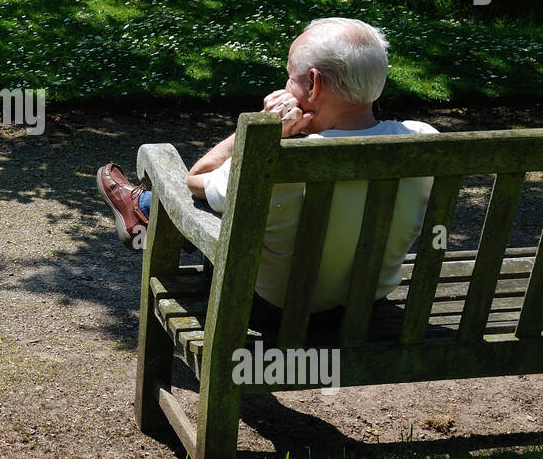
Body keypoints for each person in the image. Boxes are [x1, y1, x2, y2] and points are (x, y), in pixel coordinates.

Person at [97, 17, 438, 330]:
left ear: (314, 84)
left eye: (290, 75)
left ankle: (143, 204)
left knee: (205, 201)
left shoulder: (275, 158)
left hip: (272, 312)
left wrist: (263, 127)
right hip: (368, 308)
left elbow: (196, 180)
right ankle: (142, 204)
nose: (284, 85)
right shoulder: (424, 142)